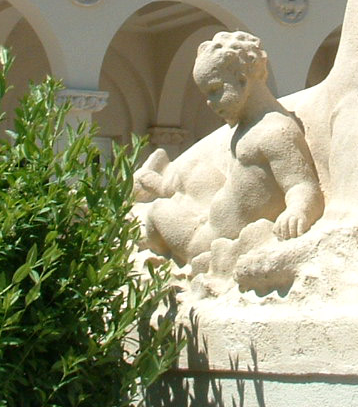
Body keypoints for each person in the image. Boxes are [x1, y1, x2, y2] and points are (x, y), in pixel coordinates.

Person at [138, 31, 323, 265]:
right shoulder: (244, 129)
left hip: (205, 240)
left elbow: (301, 184)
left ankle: (154, 240)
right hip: (212, 213)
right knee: (197, 170)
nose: (209, 102)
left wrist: (299, 210)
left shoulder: (274, 131)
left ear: (242, 80)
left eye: (215, 90)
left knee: (158, 210)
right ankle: (164, 183)